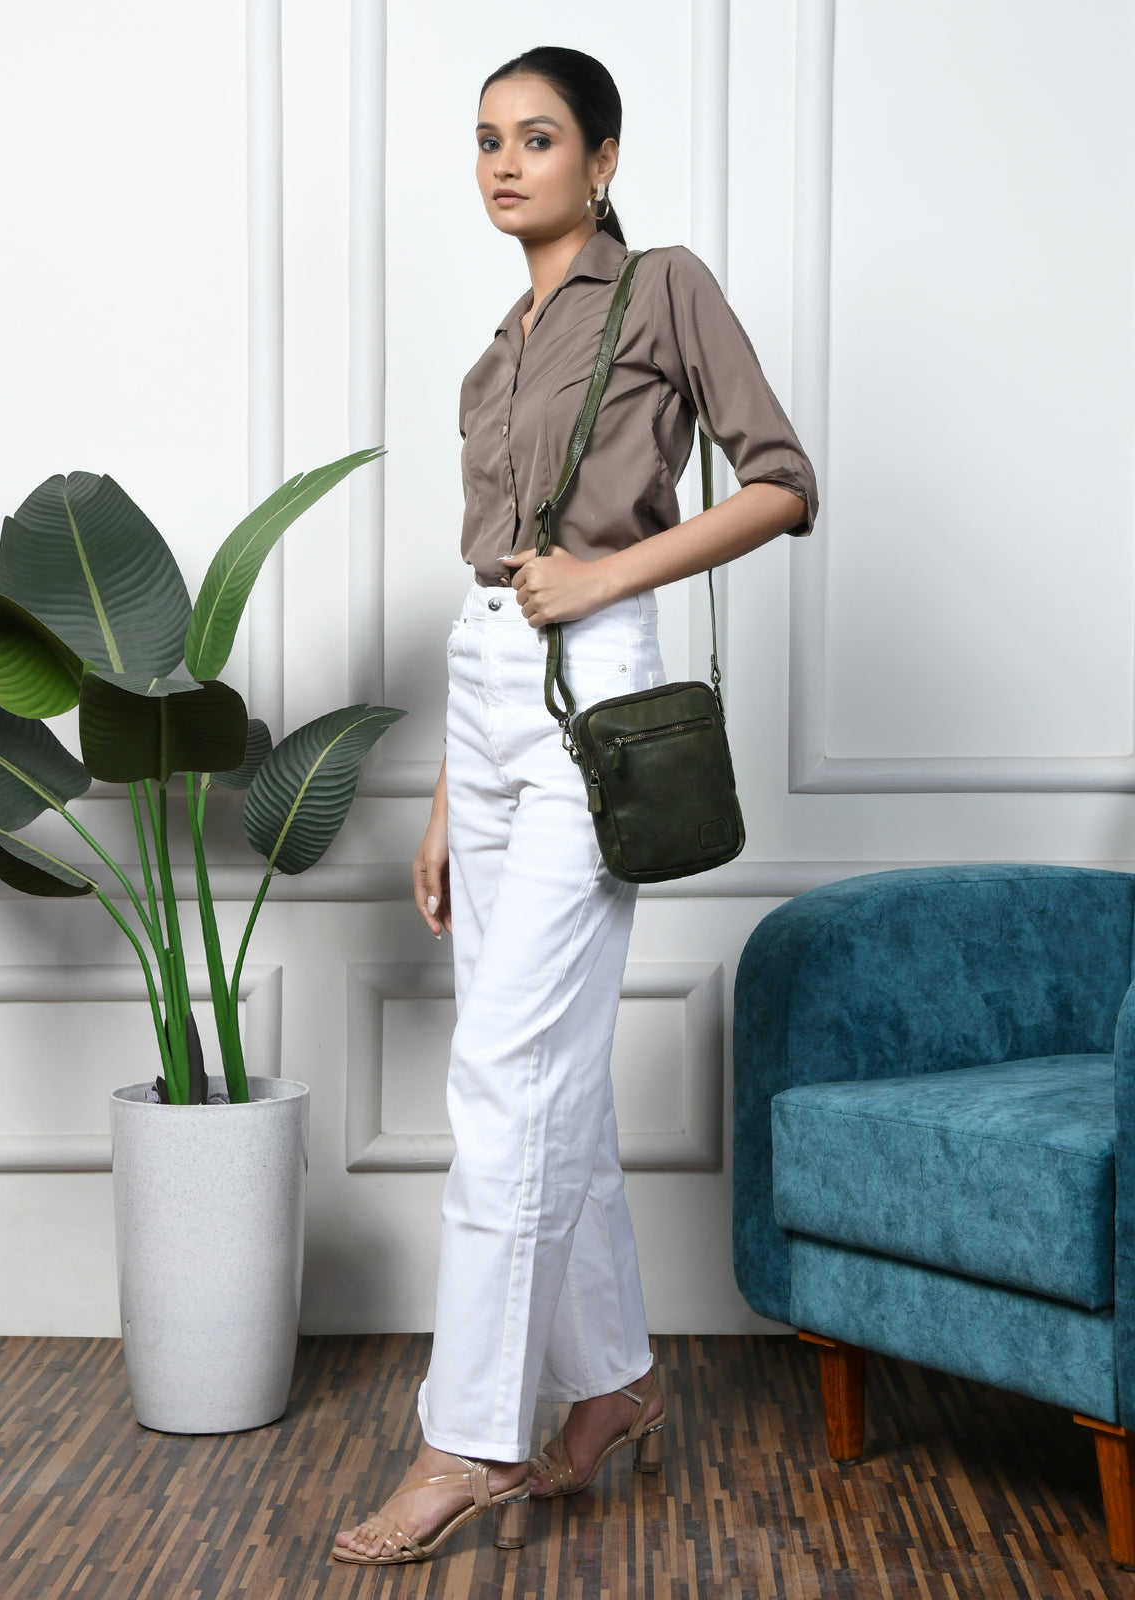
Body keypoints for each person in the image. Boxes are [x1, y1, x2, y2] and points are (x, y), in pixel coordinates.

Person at [332, 44, 819, 1567]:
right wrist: (441, 799)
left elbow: (782, 481)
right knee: (545, 1077)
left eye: (537, 138)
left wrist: (608, 575)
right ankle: (612, 1379)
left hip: (596, 688)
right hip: (487, 702)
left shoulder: (663, 290)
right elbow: (492, 601)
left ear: (602, 160)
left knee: (502, 1080)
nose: (504, 162)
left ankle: (470, 1436)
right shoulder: (495, 354)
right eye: (486, 138)